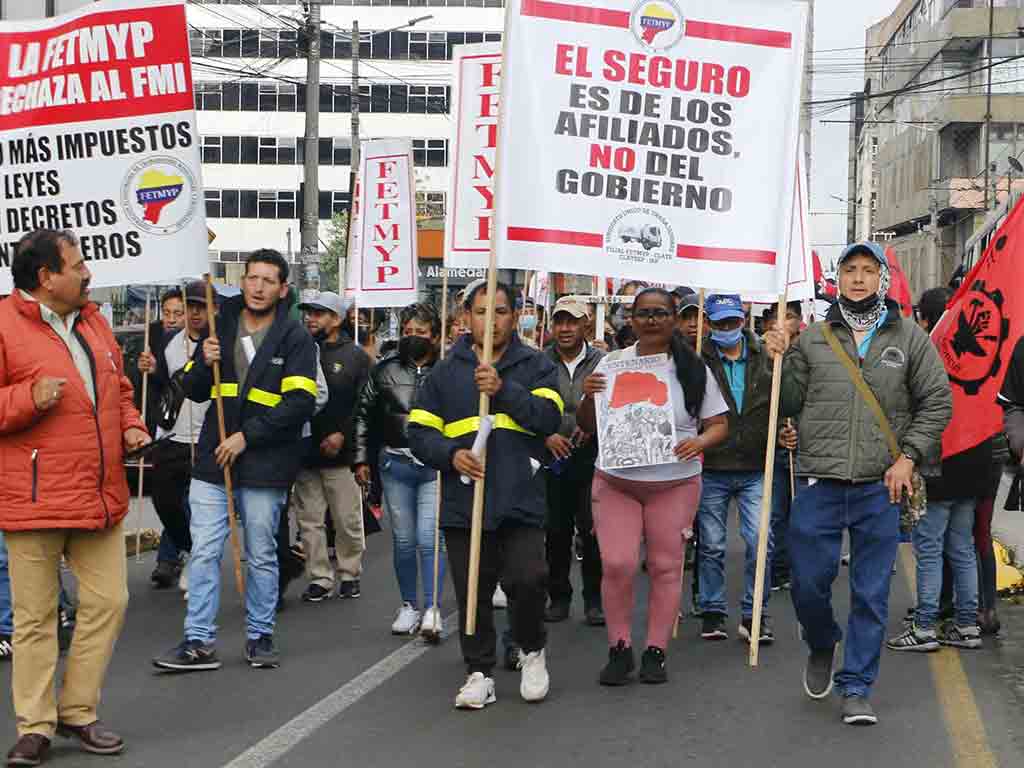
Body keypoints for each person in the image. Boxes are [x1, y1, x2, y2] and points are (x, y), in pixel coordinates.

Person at [771, 241, 952, 726]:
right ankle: (822, 640)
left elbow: (938, 403)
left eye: (867, 271)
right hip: (817, 481)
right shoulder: (810, 337)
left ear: (881, 279)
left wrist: (908, 459)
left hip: (880, 486)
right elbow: (787, 403)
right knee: (808, 583)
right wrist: (779, 358)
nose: (857, 278)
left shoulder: (910, 337)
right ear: (838, 278)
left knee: (871, 593)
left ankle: (856, 686)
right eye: (849, 270)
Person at [1, 229, 149, 764]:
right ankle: (34, 726)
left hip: (98, 493)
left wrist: (131, 424)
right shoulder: (3, 324)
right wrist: (26, 397)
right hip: (35, 499)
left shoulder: (93, 321)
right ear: (46, 278)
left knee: (110, 601)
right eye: (79, 263)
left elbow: (121, 389)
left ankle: (78, 711)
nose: (88, 272)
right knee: (35, 619)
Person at [153, 250, 318, 672]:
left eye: (268, 280)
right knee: (205, 551)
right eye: (252, 278)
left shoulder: (295, 337)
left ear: (283, 289)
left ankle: (261, 635)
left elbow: (300, 403)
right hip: (214, 459)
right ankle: (198, 641)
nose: (258, 287)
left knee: (261, 553)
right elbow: (193, 390)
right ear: (242, 281)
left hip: (264, 463)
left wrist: (248, 437)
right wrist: (202, 362)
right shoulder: (220, 322)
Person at [408, 280, 563, 710]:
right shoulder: (444, 370)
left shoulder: (535, 365)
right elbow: (419, 433)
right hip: (465, 502)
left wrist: (503, 390)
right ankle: (479, 672)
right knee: (472, 591)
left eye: (499, 311)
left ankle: (532, 650)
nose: (489, 321)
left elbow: (548, 418)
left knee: (528, 579)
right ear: (465, 319)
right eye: (481, 312)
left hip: (520, 499)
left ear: (515, 317)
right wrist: (451, 455)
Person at [577, 288, 729, 686]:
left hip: (674, 483)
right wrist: (586, 396)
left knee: (665, 566)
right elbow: (588, 425)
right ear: (631, 318)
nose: (651, 320)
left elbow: (718, 425)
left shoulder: (693, 368)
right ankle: (619, 647)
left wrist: (699, 442)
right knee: (617, 563)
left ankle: (656, 650)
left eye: (660, 313)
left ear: (674, 318)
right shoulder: (610, 365)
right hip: (616, 482)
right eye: (643, 313)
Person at [354, 303, 444, 637]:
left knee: (429, 538)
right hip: (395, 466)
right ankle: (408, 605)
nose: (414, 337)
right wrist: (360, 460)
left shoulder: (448, 371)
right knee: (404, 541)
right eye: (408, 331)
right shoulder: (383, 370)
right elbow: (363, 415)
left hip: (435, 467)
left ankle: (433, 606)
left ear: (435, 336)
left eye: (421, 332)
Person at [695, 294, 777, 645]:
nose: (728, 329)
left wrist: (785, 427)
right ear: (709, 324)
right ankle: (712, 609)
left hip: (755, 464)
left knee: (761, 541)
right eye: (720, 323)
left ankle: (754, 613)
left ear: (743, 319)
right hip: (713, 464)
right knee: (711, 544)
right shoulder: (698, 361)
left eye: (733, 322)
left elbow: (782, 400)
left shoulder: (767, 357)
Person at [291, 292, 371, 604]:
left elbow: (365, 405)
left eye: (319, 313)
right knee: (309, 521)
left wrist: (342, 434)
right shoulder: (298, 352)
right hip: (306, 453)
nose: (310, 318)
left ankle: (350, 572)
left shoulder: (356, 357)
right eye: (308, 313)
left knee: (346, 520)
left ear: (336, 319)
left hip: (342, 457)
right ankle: (319, 578)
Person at [138, 282, 214, 591]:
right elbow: (163, 387)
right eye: (189, 307)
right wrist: (151, 370)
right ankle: (189, 547)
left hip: (205, 438)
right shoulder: (167, 344)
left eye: (199, 307)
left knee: (195, 504)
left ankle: (196, 561)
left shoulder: (218, 344)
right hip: (171, 436)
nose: (194, 313)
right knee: (164, 502)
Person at [542, 297, 605, 626]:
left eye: (572, 321)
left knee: (592, 531)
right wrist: (546, 436)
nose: (565, 328)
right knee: (555, 531)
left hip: (592, 459)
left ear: (585, 323)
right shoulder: (538, 362)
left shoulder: (604, 361)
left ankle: (594, 599)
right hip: (552, 458)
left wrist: (593, 429)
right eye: (559, 321)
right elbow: (527, 408)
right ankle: (559, 596)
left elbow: (617, 407)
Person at [762, 301, 804, 592]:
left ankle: (801, 568)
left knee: (802, 512)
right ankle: (777, 569)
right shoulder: (759, 354)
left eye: (788, 316)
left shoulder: (810, 352)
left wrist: (800, 430)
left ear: (799, 321)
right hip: (771, 445)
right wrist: (776, 431)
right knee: (775, 513)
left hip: (805, 446)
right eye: (776, 317)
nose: (782, 323)